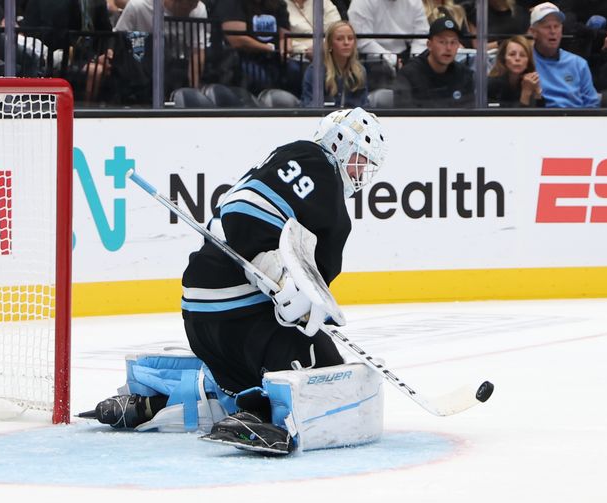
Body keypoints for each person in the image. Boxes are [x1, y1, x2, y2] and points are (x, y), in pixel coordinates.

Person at [84, 108, 388, 454]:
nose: (361, 173)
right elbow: (242, 210)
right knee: (334, 381)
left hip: (203, 321)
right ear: (339, 145)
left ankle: (160, 401)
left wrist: (307, 304)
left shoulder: (317, 192)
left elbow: (305, 289)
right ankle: (263, 418)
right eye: (359, 160)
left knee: (253, 388)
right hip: (240, 320)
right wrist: (271, 265)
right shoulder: (314, 162)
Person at [209, 0, 291, 93]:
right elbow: (237, 40)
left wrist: (285, 49)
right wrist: (269, 48)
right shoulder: (231, 3)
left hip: (273, 59)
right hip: (241, 58)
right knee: (263, 81)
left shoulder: (278, 4)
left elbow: (285, 36)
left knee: (295, 72)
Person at [392, 16, 475, 107]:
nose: (448, 48)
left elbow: (469, 113)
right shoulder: (409, 74)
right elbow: (404, 113)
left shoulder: (464, 74)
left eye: (453, 42)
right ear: (429, 45)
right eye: (442, 42)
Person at [529, 2, 600, 107]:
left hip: (575, 119)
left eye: (556, 26)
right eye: (547, 27)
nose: (553, 31)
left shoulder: (578, 64)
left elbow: (592, 104)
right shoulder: (525, 61)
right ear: (533, 32)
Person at [301, 20, 369, 107]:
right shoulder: (315, 71)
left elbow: (364, 106)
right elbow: (308, 106)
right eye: (340, 39)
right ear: (330, 45)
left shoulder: (359, 72)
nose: (346, 43)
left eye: (350, 38)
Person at [348, 0, 430, 72]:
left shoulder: (414, 2)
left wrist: (415, 61)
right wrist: (392, 59)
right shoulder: (361, 2)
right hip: (373, 58)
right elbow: (363, 41)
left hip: (407, 55)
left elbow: (422, 35)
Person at [487, 34, 545, 106]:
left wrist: (537, 92)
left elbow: (540, 115)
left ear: (528, 61)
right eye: (512, 54)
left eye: (522, 55)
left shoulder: (529, 82)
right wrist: (525, 94)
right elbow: (509, 115)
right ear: (503, 59)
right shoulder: (492, 84)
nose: (517, 58)